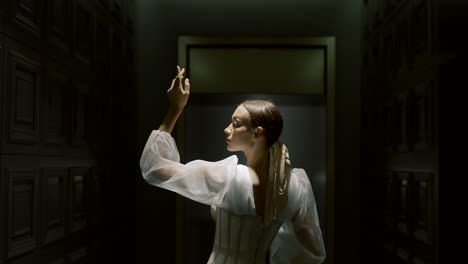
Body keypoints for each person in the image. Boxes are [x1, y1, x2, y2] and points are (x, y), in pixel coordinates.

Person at [139, 66, 326, 263]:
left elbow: (154, 168)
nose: (227, 129)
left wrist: (174, 109)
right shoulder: (295, 187)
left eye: (236, 124)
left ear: (257, 133)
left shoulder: (226, 178)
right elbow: (312, 250)